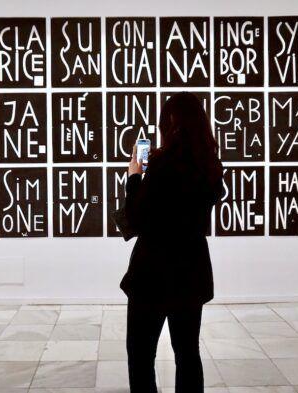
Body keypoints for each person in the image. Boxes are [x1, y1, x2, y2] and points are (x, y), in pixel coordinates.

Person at [120, 91, 224, 393]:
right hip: (191, 273)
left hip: (152, 274)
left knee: (141, 357)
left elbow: (135, 221)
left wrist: (134, 176)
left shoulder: (160, 166)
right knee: (188, 355)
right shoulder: (210, 167)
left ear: (171, 124)